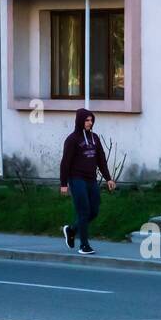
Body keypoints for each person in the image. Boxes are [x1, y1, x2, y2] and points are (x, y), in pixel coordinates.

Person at [59, 108, 115, 256]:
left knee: (94, 211)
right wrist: (63, 184)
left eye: (91, 120)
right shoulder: (72, 139)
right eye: (87, 120)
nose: (89, 123)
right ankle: (84, 245)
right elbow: (65, 163)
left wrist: (108, 178)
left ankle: (71, 230)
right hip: (76, 179)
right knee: (83, 211)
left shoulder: (95, 138)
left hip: (91, 179)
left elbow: (101, 159)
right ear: (80, 121)